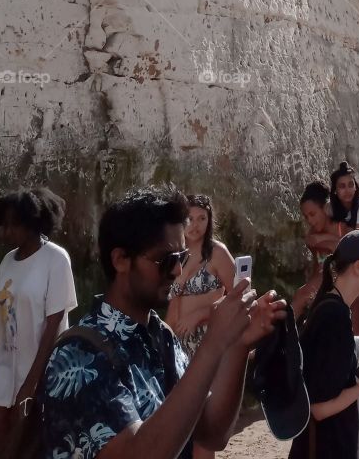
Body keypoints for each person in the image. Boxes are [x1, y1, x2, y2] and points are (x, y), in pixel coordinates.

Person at [40, 184, 285, 459]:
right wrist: (214, 343)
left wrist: (238, 344)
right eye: (166, 260)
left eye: (181, 257)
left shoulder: (159, 336)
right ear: (121, 260)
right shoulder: (80, 354)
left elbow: (211, 432)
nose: (178, 270)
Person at [0, 187, 77, 456]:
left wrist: (31, 384)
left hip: (40, 374)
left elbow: (55, 325)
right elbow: (0, 323)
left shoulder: (56, 259)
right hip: (3, 372)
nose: (7, 232)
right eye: (4, 225)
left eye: (15, 225)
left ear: (34, 223)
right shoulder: (7, 261)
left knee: (26, 450)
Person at [289, 230, 359, 459]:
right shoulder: (335, 317)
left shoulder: (328, 306)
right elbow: (320, 409)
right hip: (327, 446)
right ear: (358, 267)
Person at [165, 194, 236, 459]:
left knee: (206, 423)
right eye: (189, 219)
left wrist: (204, 312)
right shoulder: (173, 254)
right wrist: (184, 285)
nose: (195, 225)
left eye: (202, 219)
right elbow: (170, 305)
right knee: (182, 421)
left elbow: (240, 294)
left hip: (207, 342)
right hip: (179, 343)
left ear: (210, 220)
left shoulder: (217, 252)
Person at [329, 161, 359, 334]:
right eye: (342, 186)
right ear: (335, 190)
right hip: (349, 259)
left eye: (351, 184)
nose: (348, 190)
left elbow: (358, 239)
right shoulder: (335, 208)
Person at [292, 181, 342, 320]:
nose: (310, 220)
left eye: (313, 214)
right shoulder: (313, 235)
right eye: (306, 216)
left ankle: (283, 334)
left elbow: (347, 247)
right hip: (326, 279)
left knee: (302, 295)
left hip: (346, 277)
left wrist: (323, 239)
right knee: (301, 294)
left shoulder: (340, 224)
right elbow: (318, 267)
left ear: (325, 208)